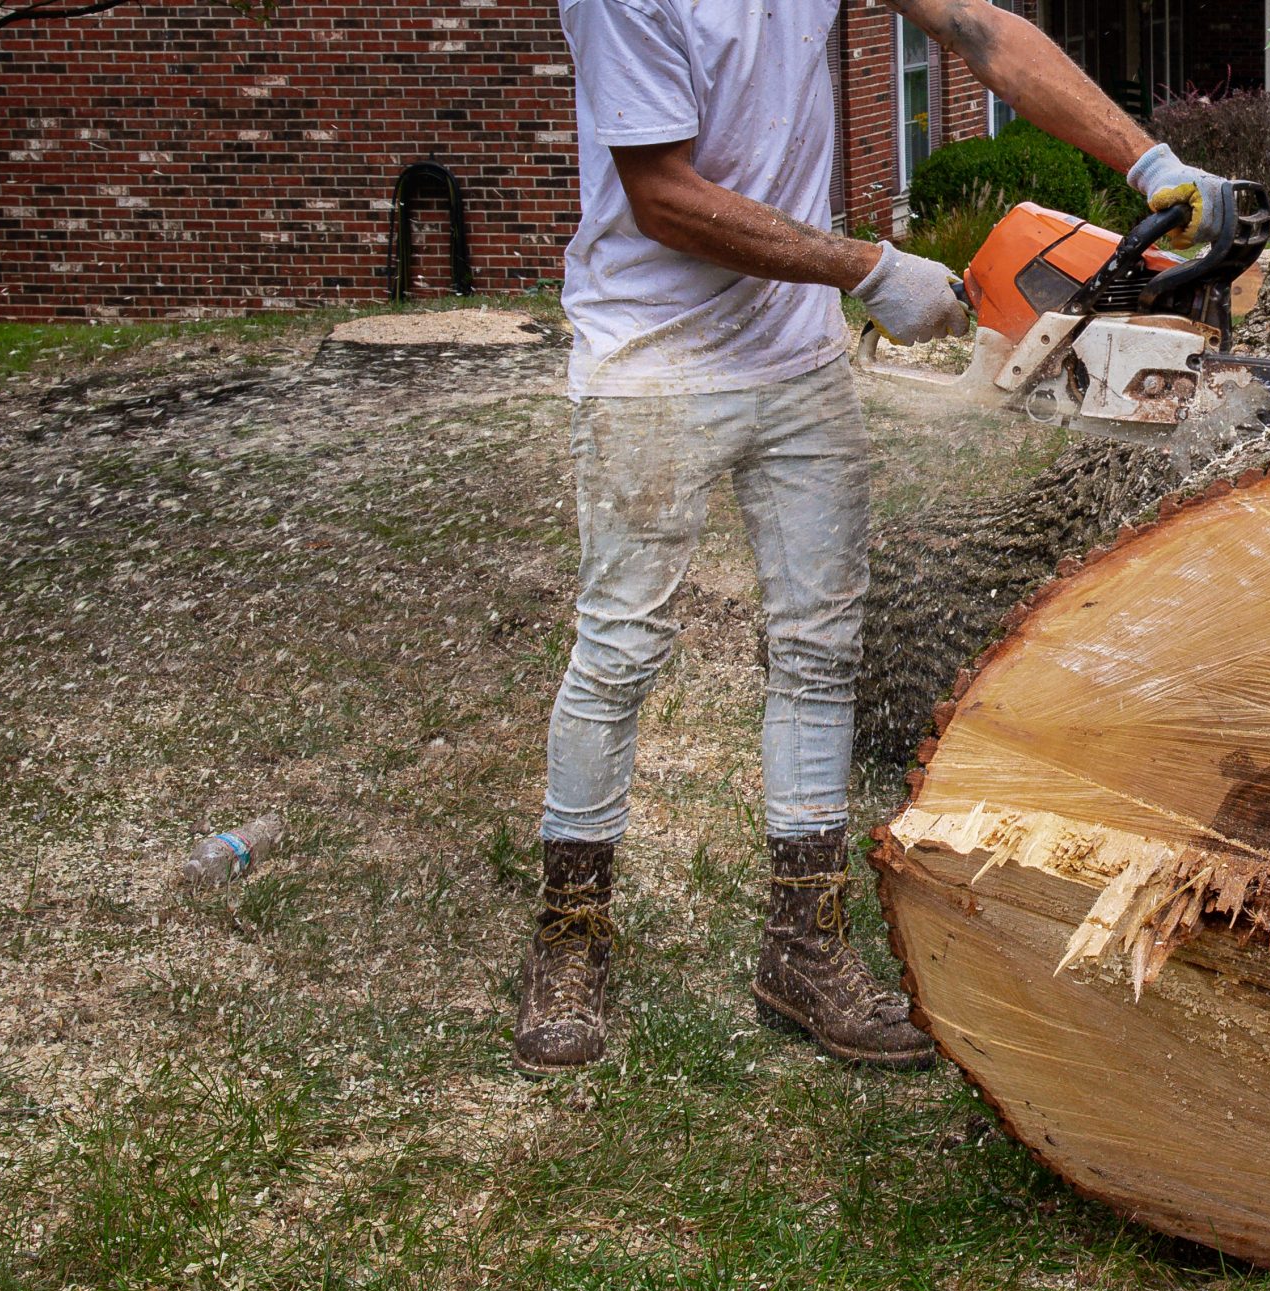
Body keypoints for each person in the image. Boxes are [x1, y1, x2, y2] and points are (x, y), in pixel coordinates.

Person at [517, 0, 1233, 1077]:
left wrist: (1151, 163)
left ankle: (802, 943)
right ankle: (569, 934)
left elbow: (980, 28)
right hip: (649, 361)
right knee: (620, 647)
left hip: (798, 361)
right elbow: (660, 195)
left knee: (819, 649)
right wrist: (869, 268)